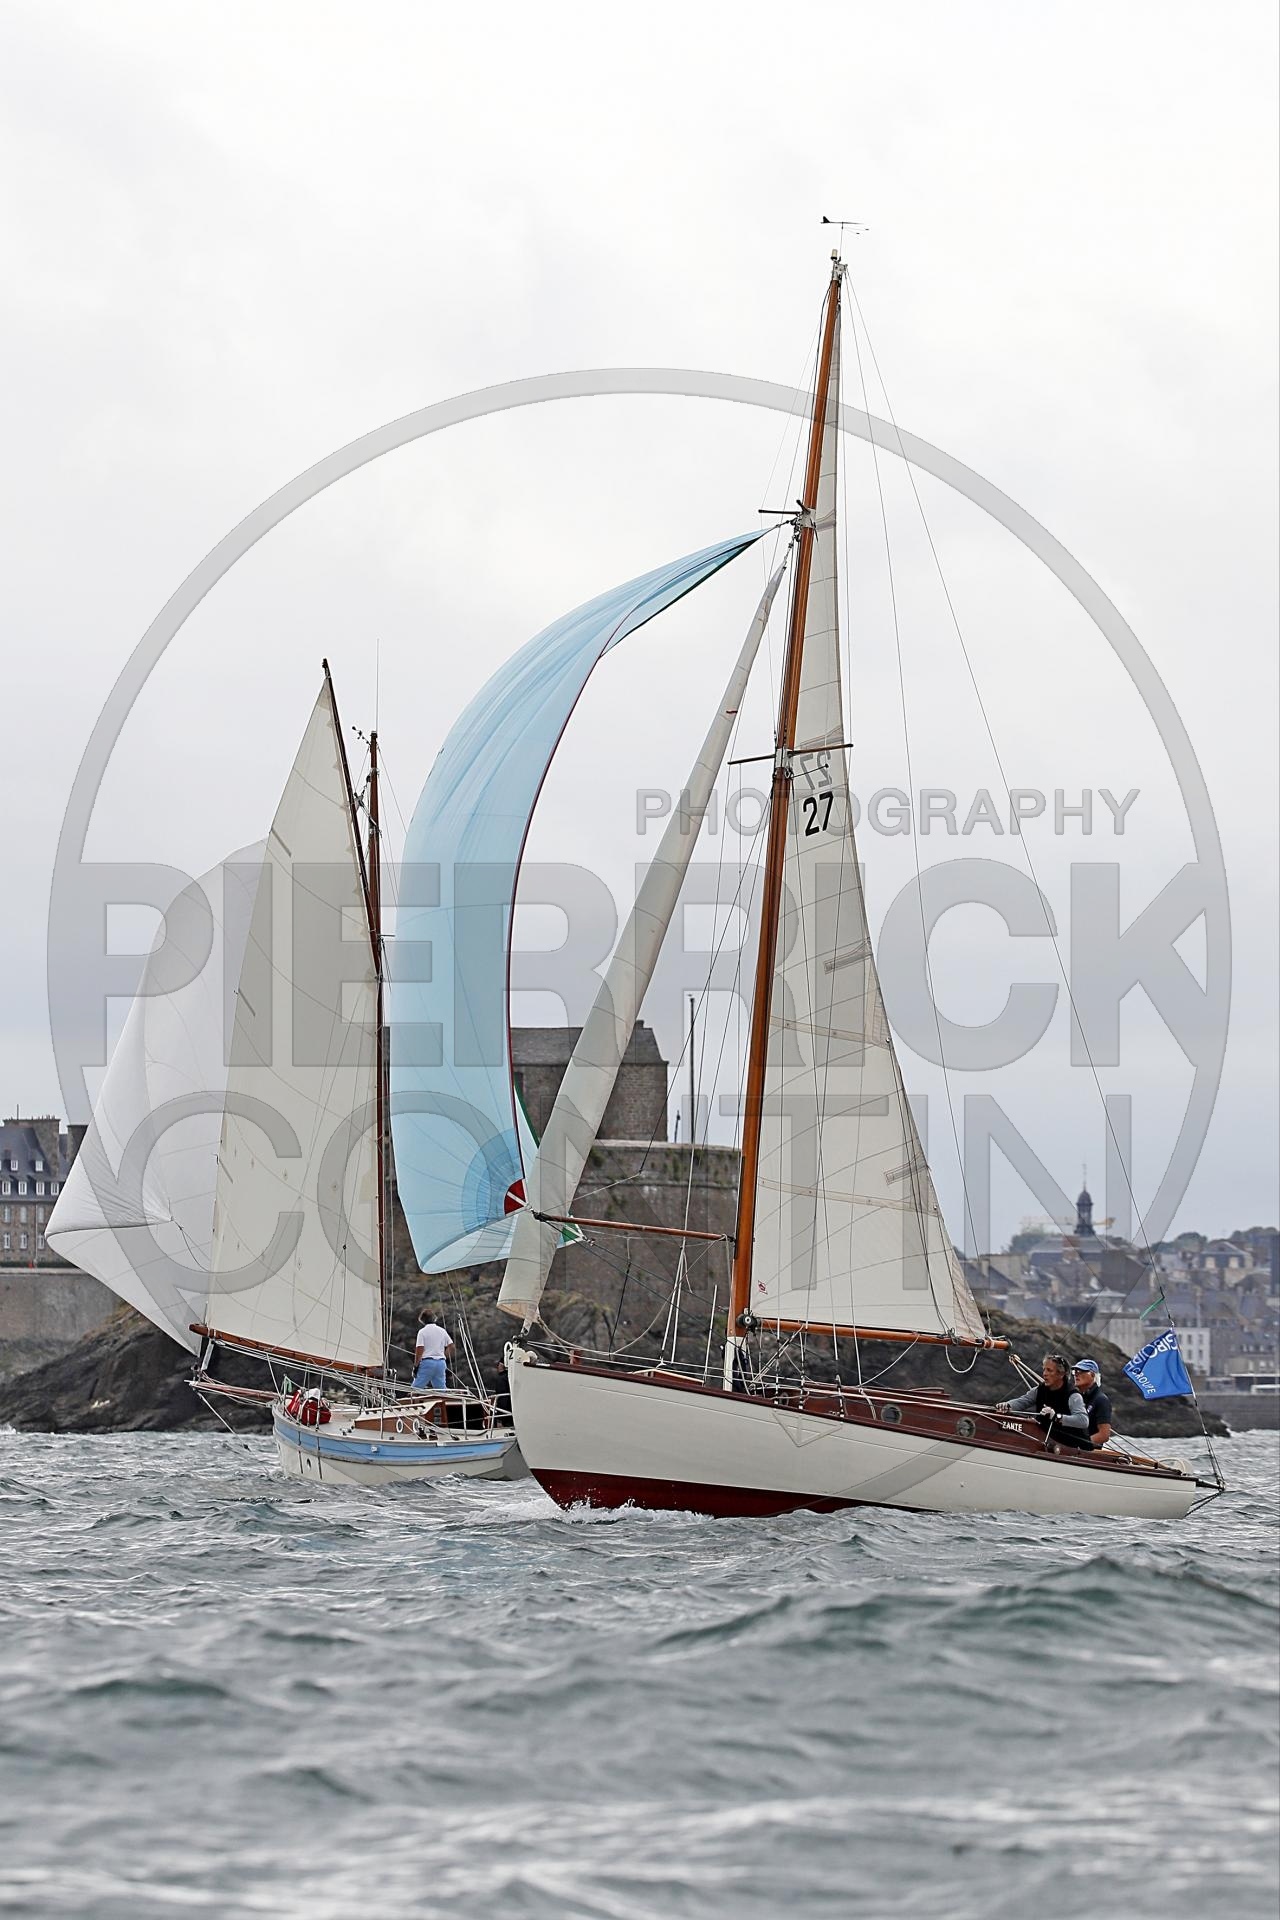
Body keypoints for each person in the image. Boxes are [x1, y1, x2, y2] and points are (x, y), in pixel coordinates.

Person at [996, 1352, 1092, 1449]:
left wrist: (1056, 1417)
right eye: (1044, 1369)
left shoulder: (1073, 1395)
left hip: (1073, 1448)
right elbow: (1023, 1401)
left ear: (1061, 1374)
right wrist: (1007, 1405)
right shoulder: (1040, 1389)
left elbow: (1083, 1421)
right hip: (1047, 1442)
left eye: (1049, 1370)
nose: (1044, 1374)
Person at [1072, 1358, 1113, 1448]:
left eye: (1081, 1371)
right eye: (1075, 1372)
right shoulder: (1076, 1398)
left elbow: (1104, 1435)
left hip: (1086, 1452)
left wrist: (1079, 1445)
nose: (1076, 1374)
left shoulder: (1101, 1400)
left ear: (1092, 1375)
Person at [412, 1311, 454, 1392]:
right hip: (441, 1363)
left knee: (415, 1390)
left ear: (422, 1320)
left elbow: (419, 1349)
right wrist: (443, 1356)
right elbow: (451, 1346)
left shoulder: (422, 1332)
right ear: (434, 1319)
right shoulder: (442, 1331)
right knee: (441, 1391)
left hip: (427, 1363)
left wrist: (416, 1366)